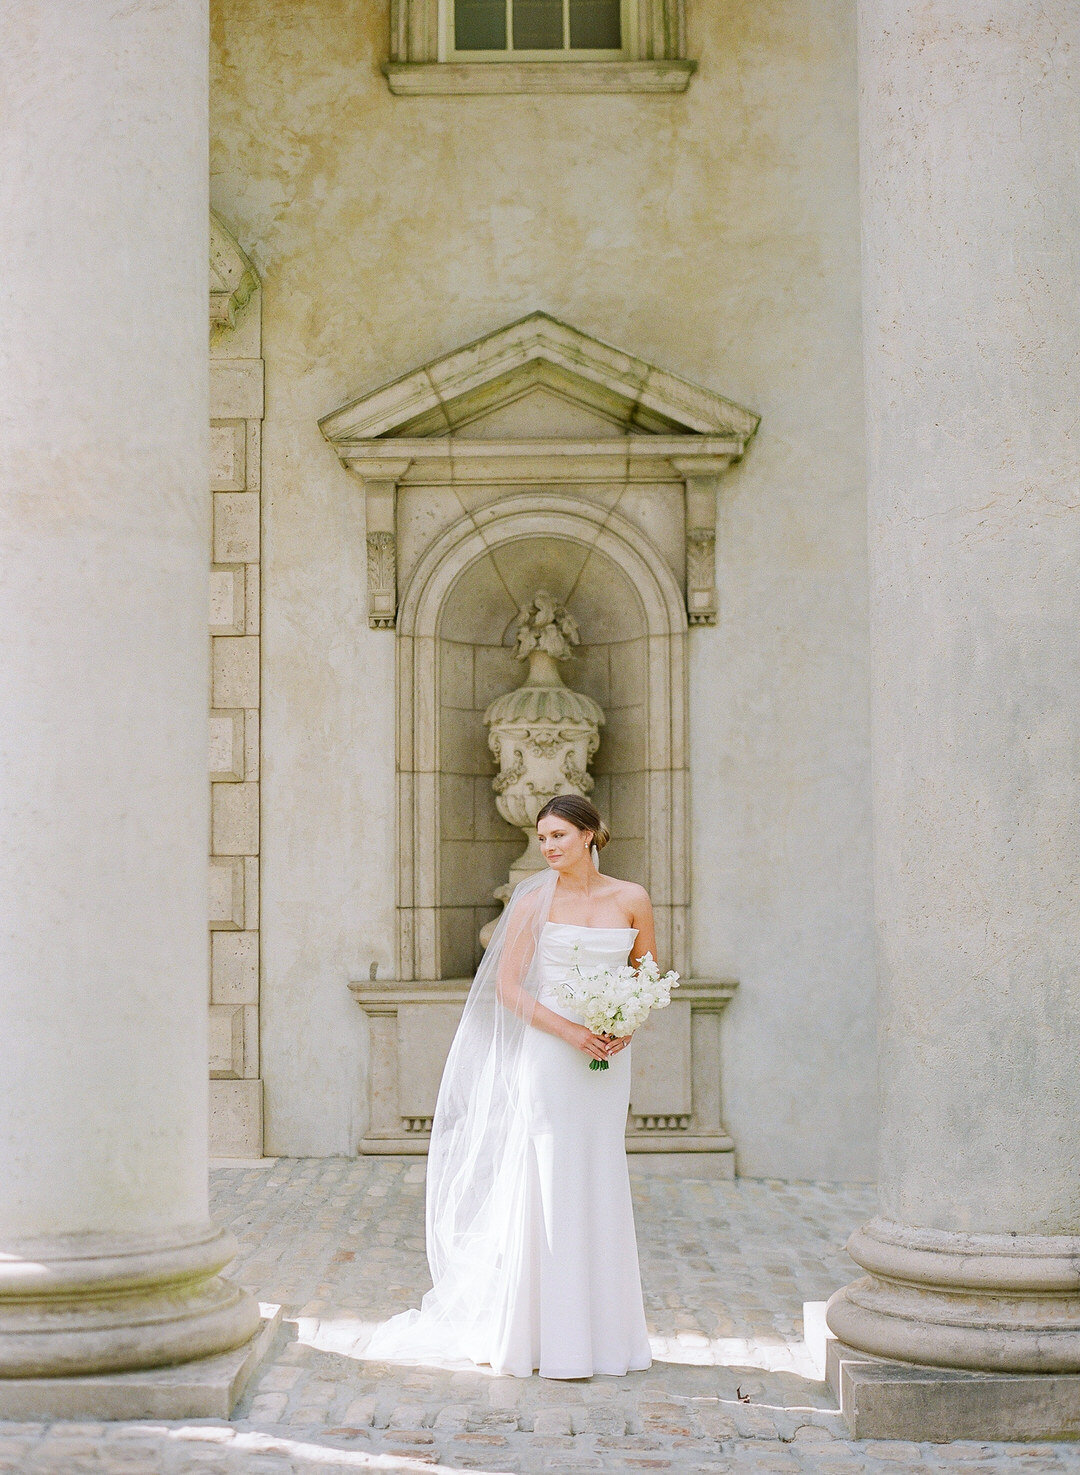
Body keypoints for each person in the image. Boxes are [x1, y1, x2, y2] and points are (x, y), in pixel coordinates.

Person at [361, 794, 656, 1378]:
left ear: (592, 834)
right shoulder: (532, 902)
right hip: (552, 1055)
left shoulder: (631, 898)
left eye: (559, 836)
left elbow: (646, 975)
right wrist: (571, 1032)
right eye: (543, 837)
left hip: (607, 1059)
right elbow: (510, 989)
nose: (548, 847)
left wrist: (624, 1023)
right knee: (549, 1176)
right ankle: (542, 1338)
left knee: (601, 1172)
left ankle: (605, 1337)